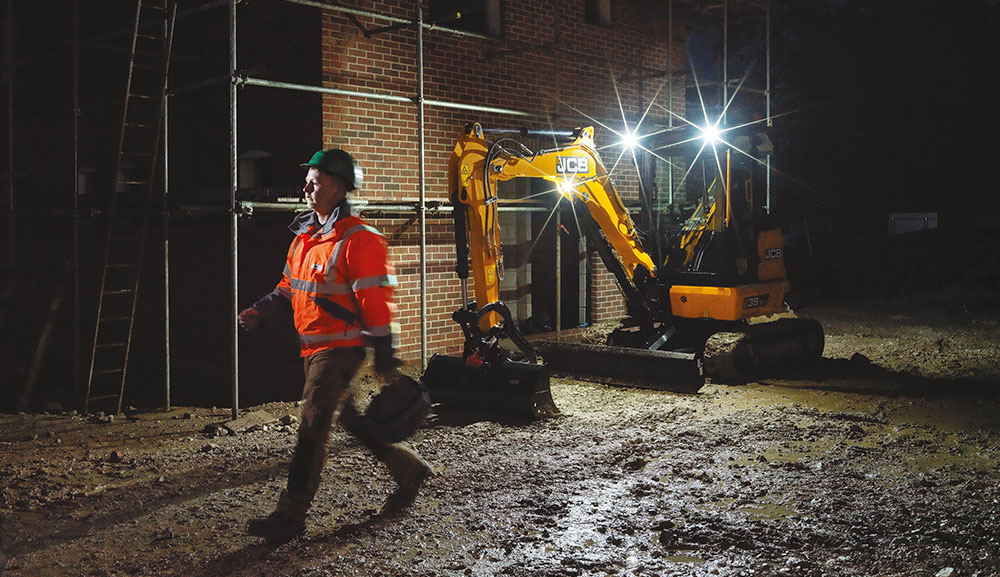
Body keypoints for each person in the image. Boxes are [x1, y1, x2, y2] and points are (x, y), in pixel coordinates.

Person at [240, 148, 432, 542]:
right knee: (348, 418)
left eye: (316, 181)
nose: (306, 187)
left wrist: (385, 356)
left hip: (340, 349)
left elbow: (375, 300)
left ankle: (290, 515)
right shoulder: (305, 237)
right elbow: (288, 287)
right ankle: (408, 469)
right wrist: (261, 310)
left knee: (313, 423)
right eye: (307, 180)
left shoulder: (359, 239)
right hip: (314, 348)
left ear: (339, 189)